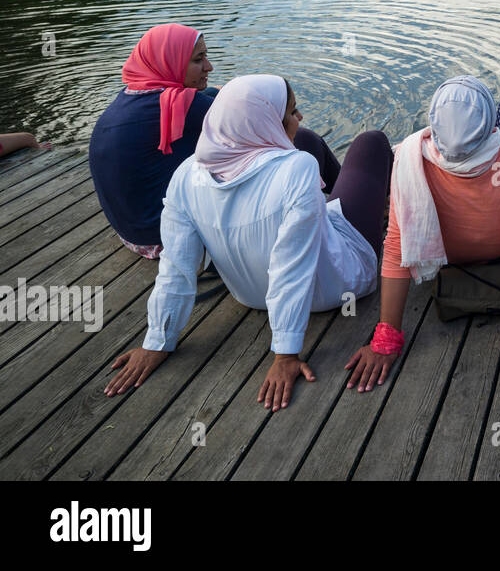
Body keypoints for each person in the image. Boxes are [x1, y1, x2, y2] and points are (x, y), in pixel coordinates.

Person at [105, 75, 392, 412]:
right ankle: (379, 214)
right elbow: (292, 267)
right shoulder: (298, 168)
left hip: (250, 295)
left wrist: (158, 341)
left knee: (308, 139)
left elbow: (176, 266)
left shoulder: (186, 173)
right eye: (292, 112)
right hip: (336, 285)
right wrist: (285, 353)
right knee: (371, 142)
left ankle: (343, 202)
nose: (299, 118)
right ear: (268, 121)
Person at [345, 76, 500, 391]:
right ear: (489, 125)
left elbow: (396, 247)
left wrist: (385, 339)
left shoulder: (410, 158)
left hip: (445, 256)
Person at [88, 23, 339, 259]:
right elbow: (258, 119)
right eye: (198, 60)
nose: (209, 66)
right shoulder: (185, 106)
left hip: (133, 235)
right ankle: (342, 207)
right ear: (171, 63)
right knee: (305, 139)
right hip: (171, 240)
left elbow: (215, 100)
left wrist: (215, 92)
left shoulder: (134, 95)